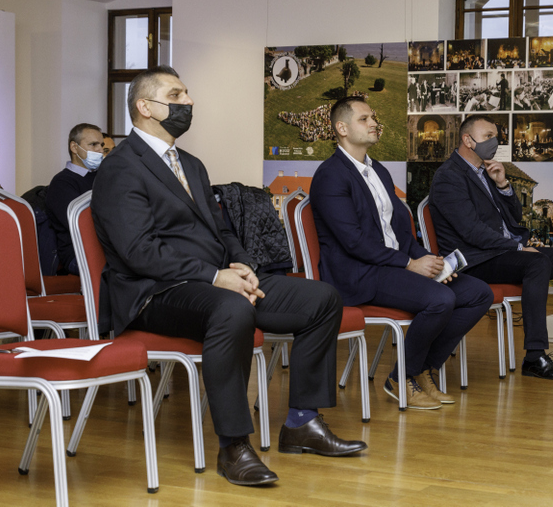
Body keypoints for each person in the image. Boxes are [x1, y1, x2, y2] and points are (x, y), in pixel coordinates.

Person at [91, 65, 365, 487]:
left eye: (186, 93)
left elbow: (222, 231)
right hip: (155, 292)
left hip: (214, 281)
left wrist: (242, 265)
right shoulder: (120, 168)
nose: (188, 101)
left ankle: (302, 422)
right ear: (145, 106)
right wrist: (215, 276)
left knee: (321, 299)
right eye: (176, 95)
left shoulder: (191, 164)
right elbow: (139, 252)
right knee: (232, 308)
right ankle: (234, 446)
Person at [309, 96, 493, 410]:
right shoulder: (330, 175)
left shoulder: (378, 171)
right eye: (364, 119)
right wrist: (409, 264)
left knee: (478, 293)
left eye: (373, 117)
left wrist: (432, 262)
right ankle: (400, 377)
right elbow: (353, 242)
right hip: (358, 274)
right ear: (342, 128)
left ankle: (422, 369)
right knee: (440, 299)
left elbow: (401, 232)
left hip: (390, 266)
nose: (374, 123)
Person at [429, 115, 553, 381]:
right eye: (487, 136)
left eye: (495, 136)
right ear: (467, 140)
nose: (494, 142)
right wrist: (516, 248)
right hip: (474, 259)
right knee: (537, 262)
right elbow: (471, 231)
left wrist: (503, 184)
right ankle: (535, 356)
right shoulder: (449, 176)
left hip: (498, 251)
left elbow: (515, 217)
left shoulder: (485, 172)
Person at [45, 123, 104, 275]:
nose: (100, 150)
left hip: (107, 248)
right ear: (74, 147)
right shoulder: (62, 183)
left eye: (101, 145)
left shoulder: (104, 177)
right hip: (79, 254)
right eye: (93, 144)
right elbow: (81, 224)